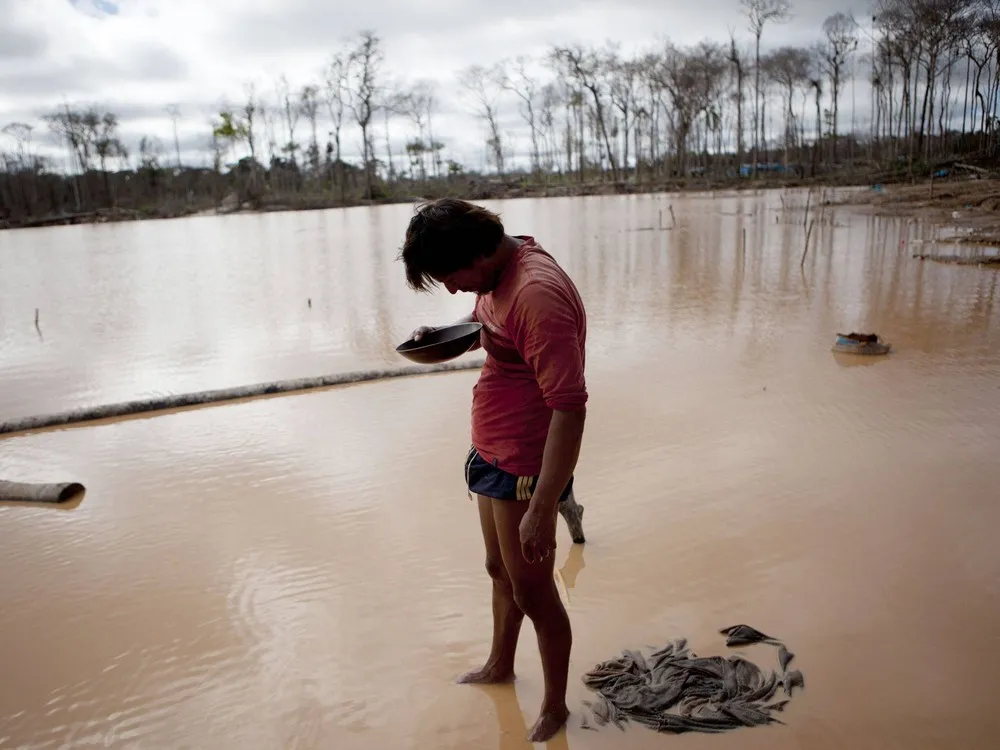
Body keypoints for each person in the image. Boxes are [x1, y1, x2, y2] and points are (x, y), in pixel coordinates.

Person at [399, 198, 588, 743]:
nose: (455, 289)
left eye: (453, 276)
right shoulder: (498, 271)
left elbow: (570, 406)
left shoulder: (537, 295)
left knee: (536, 594)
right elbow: (490, 320)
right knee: (498, 570)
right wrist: (442, 333)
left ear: (479, 251)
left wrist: (544, 504)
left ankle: (556, 707)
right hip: (492, 451)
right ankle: (500, 665)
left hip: (527, 466)